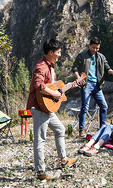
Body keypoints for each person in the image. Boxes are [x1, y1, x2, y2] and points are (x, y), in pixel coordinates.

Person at [26, 38, 79, 180]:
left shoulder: (51, 65)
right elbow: (39, 85)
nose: (60, 55)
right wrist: (54, 93)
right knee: (40, 139)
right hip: (39, 107)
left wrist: (69, 86)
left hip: (47, 108)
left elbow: (53, 87)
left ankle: (64, 160)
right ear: (50, 52)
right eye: (58, 52)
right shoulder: (41, 67)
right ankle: (40, 172)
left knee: (60, 130)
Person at [72, 37, 113, 137]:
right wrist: (79, 78)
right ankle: (81, 129)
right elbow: (74, 68)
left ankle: (102, 128)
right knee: (85, 107)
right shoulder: (82, 56)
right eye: (93, 47)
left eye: (97, 48)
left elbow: (107, 68)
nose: (95, 50)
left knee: (104, 106)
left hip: (97, 85)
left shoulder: (101, 57)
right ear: (89, 46)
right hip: (86, 84)